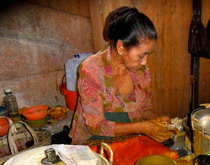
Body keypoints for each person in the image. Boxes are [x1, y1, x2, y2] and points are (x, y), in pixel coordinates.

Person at [69, 6, 173, 145]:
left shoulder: (141, 70)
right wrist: (142, 127)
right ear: (121, 47)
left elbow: (144, 109)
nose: (145, 62)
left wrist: (156, 120)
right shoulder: (91, 69)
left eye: (148, 55)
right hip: (93, 139)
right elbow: (95, 126)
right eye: (141, 56)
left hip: (130, 134)